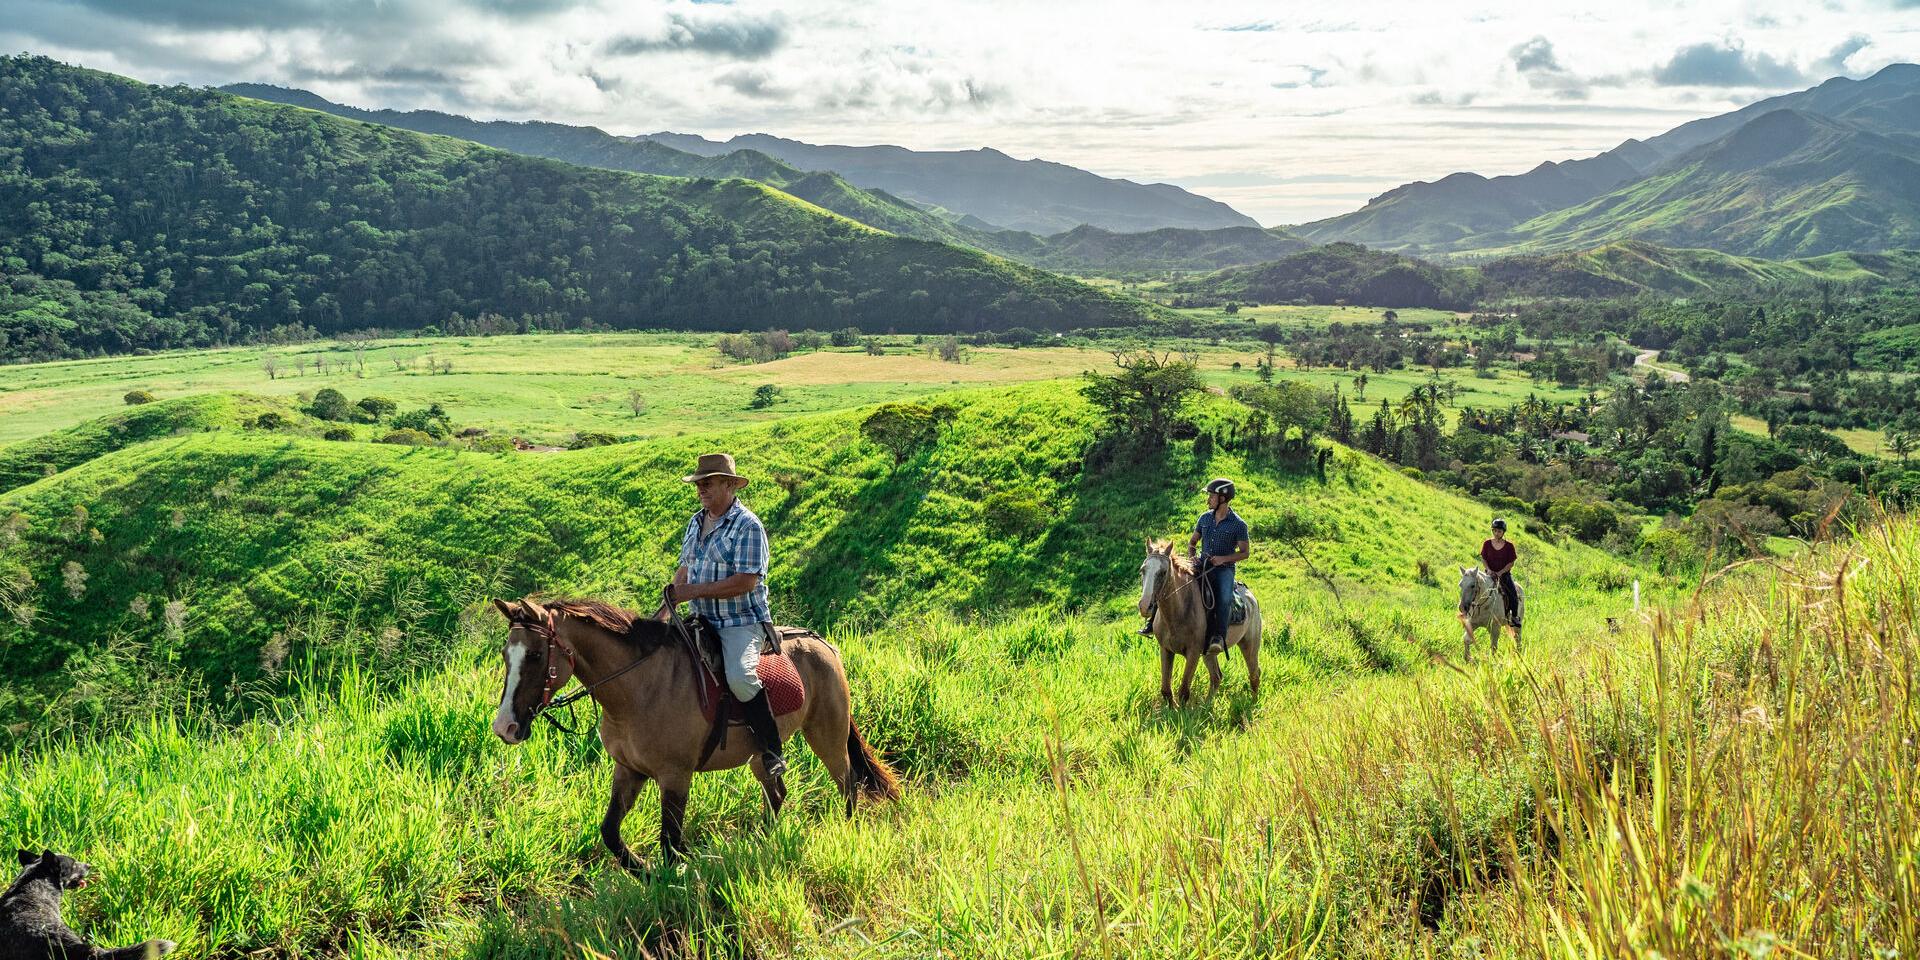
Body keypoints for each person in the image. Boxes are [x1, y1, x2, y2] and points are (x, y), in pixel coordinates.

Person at [668, 452, 785, 782]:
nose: (701, 489)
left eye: (708, 483)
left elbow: (746, 581)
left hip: (740, 621)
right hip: (700, 619)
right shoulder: (696, 521)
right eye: (698, 484)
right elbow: (686, 568)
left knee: (740, 676)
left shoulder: (748, 525)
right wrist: (667, 606)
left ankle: (771, 749)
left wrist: (694, 592)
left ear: (731, 485)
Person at [1192, 478, 1251, 654]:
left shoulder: (1239, 525)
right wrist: (1192, 557)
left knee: (1224, 598)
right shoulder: (1203, 518)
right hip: (1201, 565)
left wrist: (1223, 559)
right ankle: (1153, 623)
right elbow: (1193, 541)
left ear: (1223, 498)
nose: (1208, 499)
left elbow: (1244, 553)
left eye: (1211, 496)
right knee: (1176, 583)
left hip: (1224, 570)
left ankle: (1218, 636)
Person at [1480, 518, 1521, 640]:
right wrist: (1488, 570)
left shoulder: (1509, 546)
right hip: (1489, 574)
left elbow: (1511, 562)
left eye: (1499, 531)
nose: (1497, 533)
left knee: (1513, 594)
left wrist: (1501, 572)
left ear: (1503, 532)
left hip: (1504, 575)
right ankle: (1470, 612)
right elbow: (1483, 558)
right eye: (1495, 530)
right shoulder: (1487, 543)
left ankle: (1514, 617)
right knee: (1475, 589)